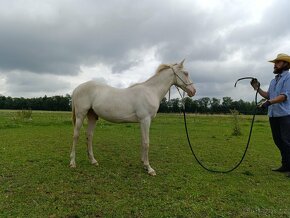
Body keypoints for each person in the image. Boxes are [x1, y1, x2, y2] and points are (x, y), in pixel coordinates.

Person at [251, 53, 290, 175]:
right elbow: (269, 95)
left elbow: (284, 96)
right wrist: (257, 88)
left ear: (285, 64)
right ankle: (285, 165)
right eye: (275, 63)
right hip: (273, 115)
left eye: (278, 62)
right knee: (278, 141)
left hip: (285, 115)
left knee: (286, 141)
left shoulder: (288, 78)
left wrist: (269, 102)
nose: (275, 65)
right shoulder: (273, 80)